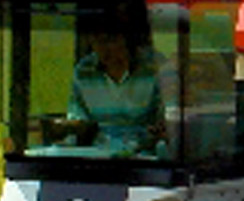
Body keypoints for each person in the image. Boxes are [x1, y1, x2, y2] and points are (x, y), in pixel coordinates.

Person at [66, 17, 168, 156]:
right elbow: (78, 117)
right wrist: (69, 130)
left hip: (146, 156)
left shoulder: (155, 67)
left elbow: (168, 116)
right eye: (96, 40)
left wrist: (160, 130)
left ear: (127, 40)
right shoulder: (84, 71)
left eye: (109, 40)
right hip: (99, 155)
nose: (102, 48)